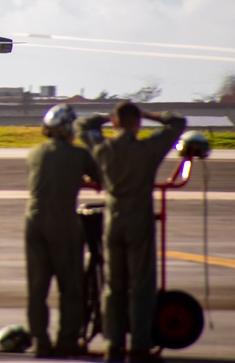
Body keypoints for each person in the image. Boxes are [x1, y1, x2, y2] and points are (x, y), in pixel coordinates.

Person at [75, 101, 186, 363]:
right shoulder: (148, 150)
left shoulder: (102, 147)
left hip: (113, 220)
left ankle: (113, 344)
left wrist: (106, 117)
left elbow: (81, 125)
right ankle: (138, 344)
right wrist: (150, 114)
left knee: (113, 286)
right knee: (142, 285)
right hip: (139, 220)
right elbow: (177, 124)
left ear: (114, 123)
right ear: (137, 123)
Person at [25, 104, 101, 357]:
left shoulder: (34, 153)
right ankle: (67, 340)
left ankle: (41, 342)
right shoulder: (78, 155)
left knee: (37, 288)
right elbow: (102, 175)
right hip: (62, 221)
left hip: (33, 222)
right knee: (70, 286)